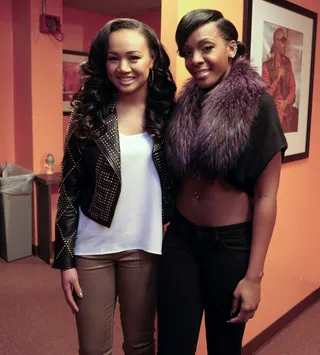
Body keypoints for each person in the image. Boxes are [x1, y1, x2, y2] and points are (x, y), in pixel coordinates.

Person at [157, 9, 287, 355]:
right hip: (181, 240)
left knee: (224, 346)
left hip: (229, 247)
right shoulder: (184, 104)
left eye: (206, 47)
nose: (195, 59)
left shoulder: (258, 106)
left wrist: (254, 278)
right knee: (171, 343)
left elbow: (266, 197)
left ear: (231, 48)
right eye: (186, 52)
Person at [52, 18, 176, 355]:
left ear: (153, 58)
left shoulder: (170, 114)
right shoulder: (88, 114)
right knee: (93, 349)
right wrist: (65, 261)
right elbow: (69, 189)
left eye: (133, 57)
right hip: (92, 250)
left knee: (140, 345)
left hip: (146, 249)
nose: (123, 68)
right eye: (112, 58)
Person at [262, 27, 297, 132]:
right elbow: (266, 93)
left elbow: (293, 87)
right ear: (275, 42)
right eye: (282, 41)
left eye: (285, 41)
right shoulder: (266, 65)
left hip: (287, 116)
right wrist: (277, 78)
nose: (285, 45)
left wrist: (286, 103)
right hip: (273, 117)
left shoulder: (288, 62)